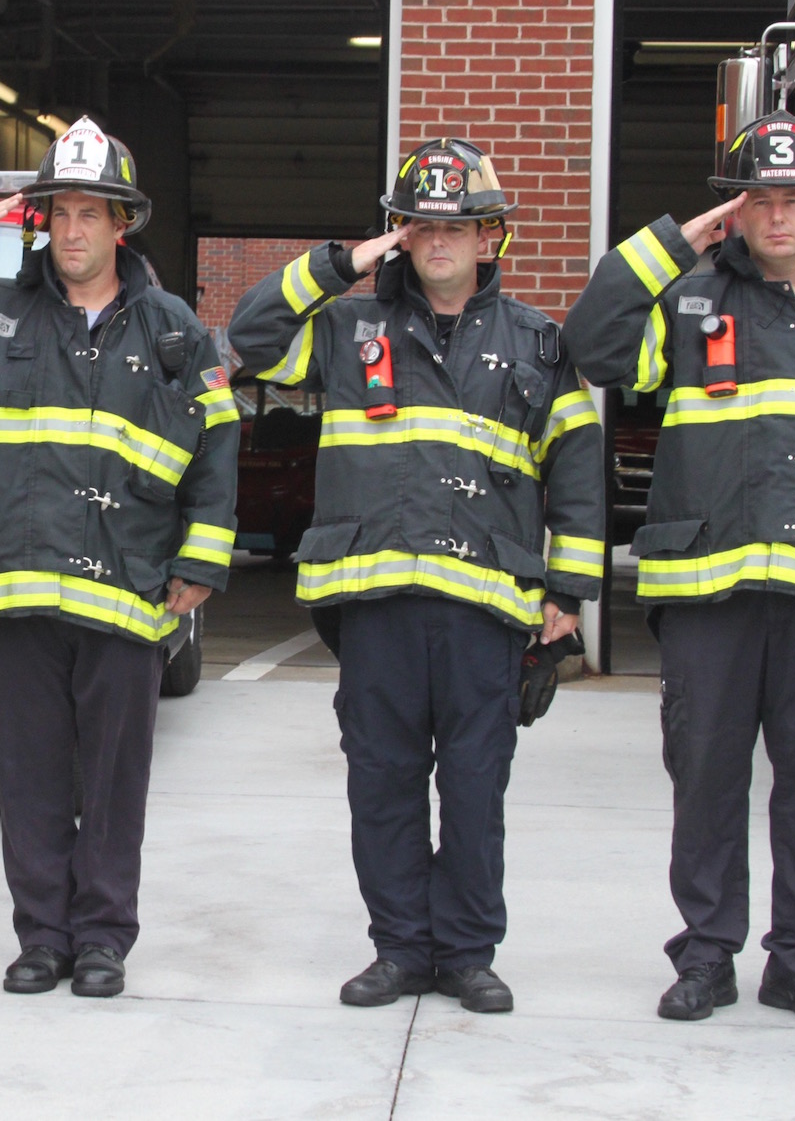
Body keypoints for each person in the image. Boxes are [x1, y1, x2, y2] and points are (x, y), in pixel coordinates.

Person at [562, 112, 795, 1026]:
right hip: (708, 596)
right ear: (737, 210)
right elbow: (594, 344)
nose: (778, 216)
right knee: (708, 782)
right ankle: (706, 954)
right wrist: (671, 242)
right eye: (759, 199)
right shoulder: (687, 301)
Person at [227, 138, 605, 1010]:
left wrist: (567, 596)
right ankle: (399, 947)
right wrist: (339, 264)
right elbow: (250, 335)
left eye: (458, 225)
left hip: (486, 611)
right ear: (399, 236)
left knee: (475, 789)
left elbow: (577, 468)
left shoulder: (540, 345)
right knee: (383, 784)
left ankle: (468, 951)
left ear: (489, 238)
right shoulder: (345, 329)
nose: (439, 240)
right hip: (375, 607)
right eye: (420, 225)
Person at [0, 117, 239, 998]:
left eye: (91, 213)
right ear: (39, 222)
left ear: (123, 224)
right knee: (30, 776)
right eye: (58, 212)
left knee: (113, 781)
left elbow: (218, 442)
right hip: (19, 586)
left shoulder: (174, 330)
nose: (73, 230)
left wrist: (202, 560)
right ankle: (42, 935)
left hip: (126, 591)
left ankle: (103, 938)